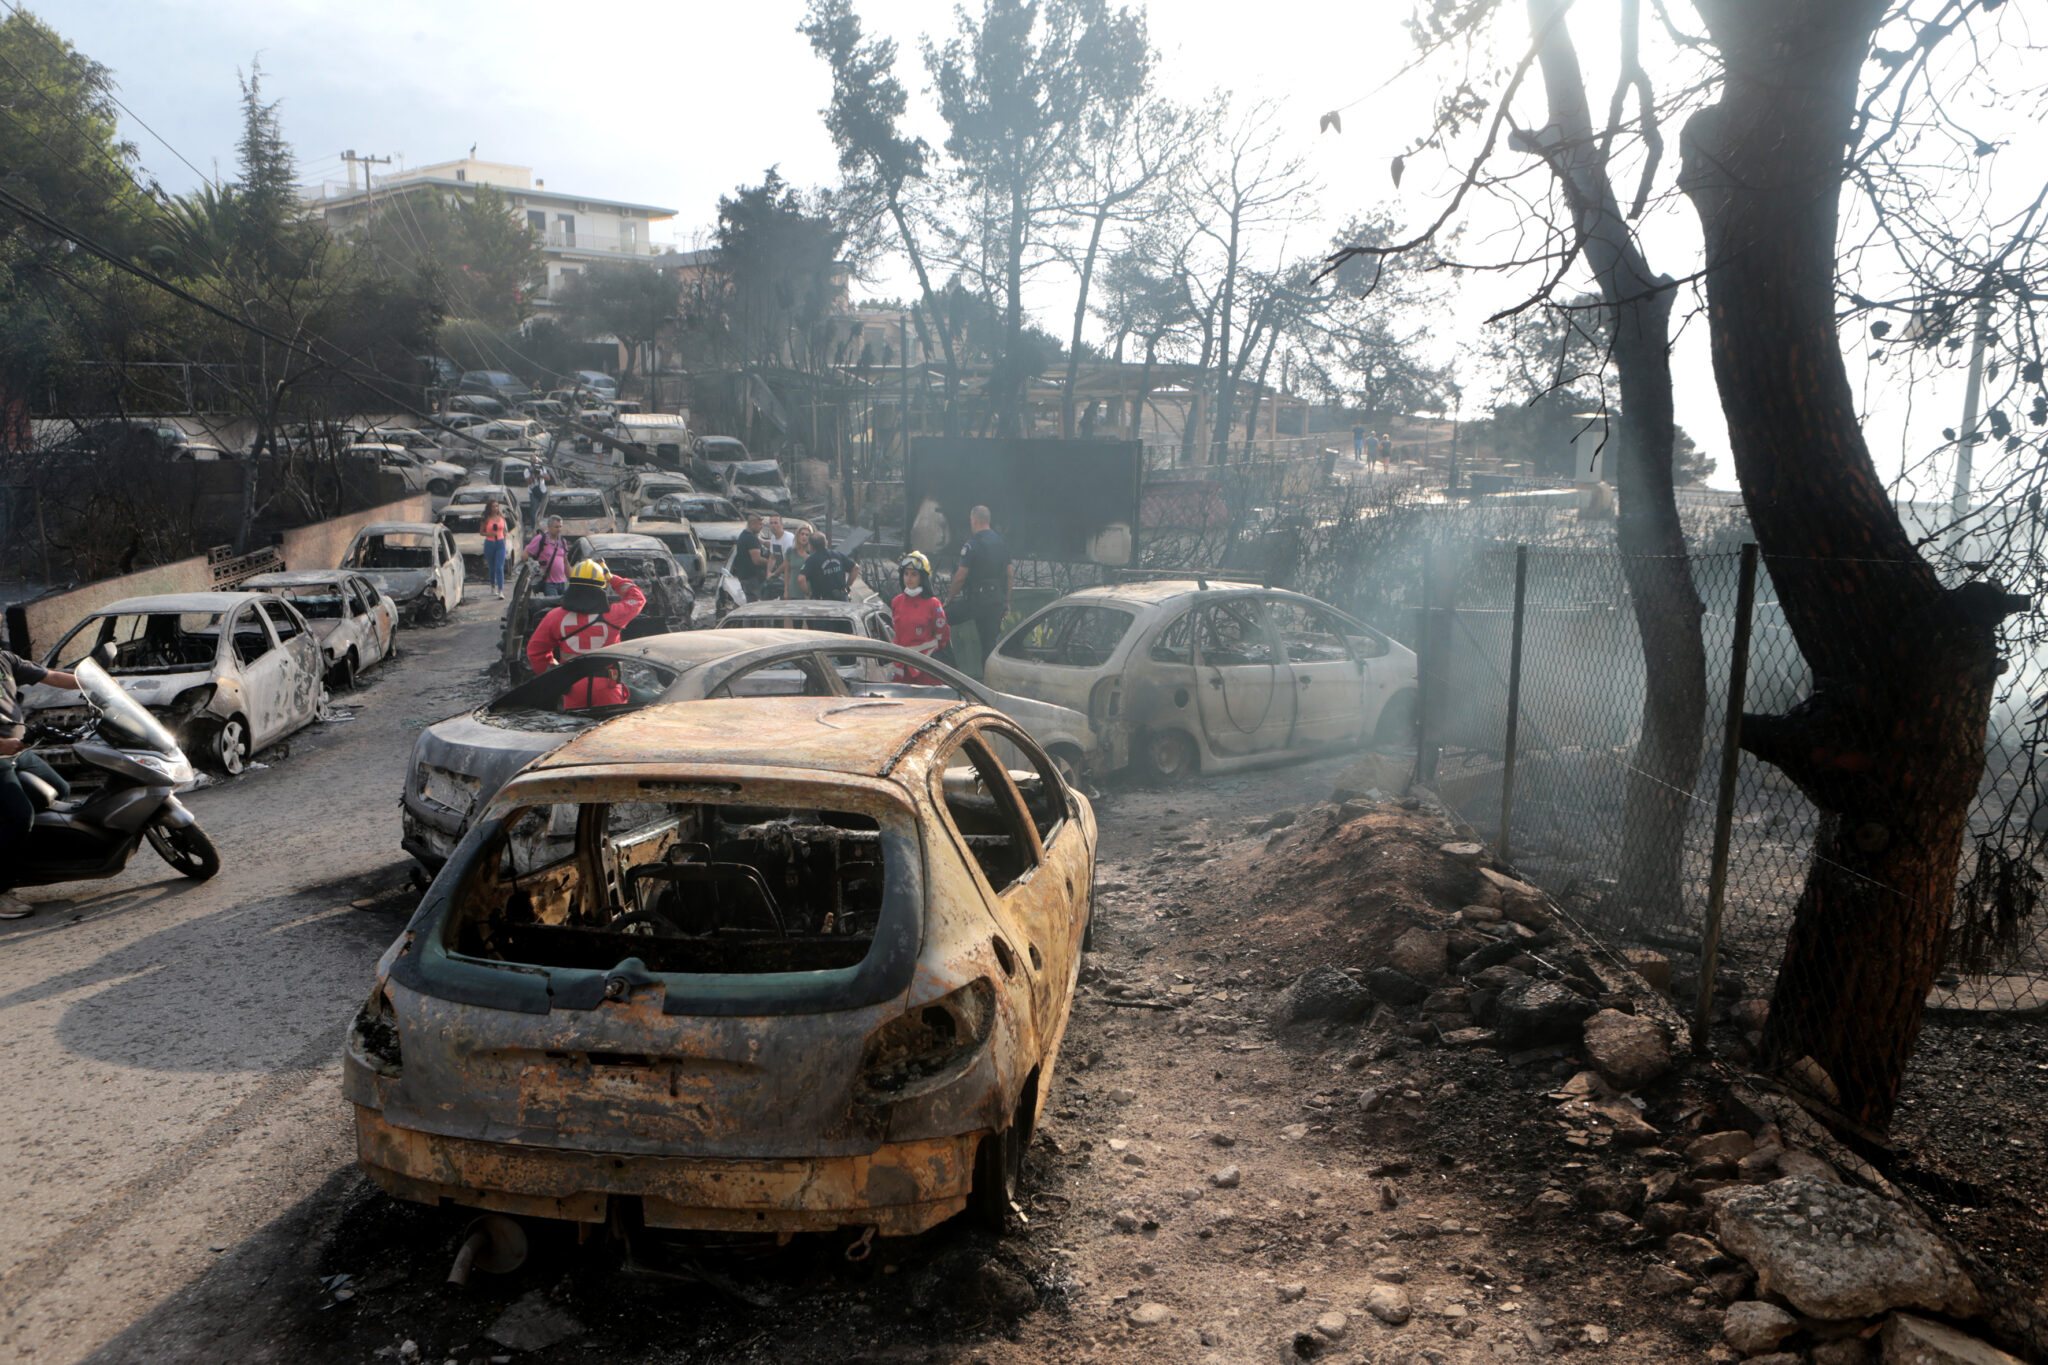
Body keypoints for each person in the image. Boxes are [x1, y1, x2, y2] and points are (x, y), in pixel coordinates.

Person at [0, 649, 81, 920]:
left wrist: (95, 683)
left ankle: (25, 860)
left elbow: (52, 676)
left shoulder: (5, 659)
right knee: (20, 816)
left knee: (59, 792)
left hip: (18, 752)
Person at [524, 559, 646, 708]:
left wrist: (556, 676)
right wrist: (612, 578)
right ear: (601, 587)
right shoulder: (615, 614)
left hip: (572, 687)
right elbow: (637, 597)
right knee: (609, 726)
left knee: (574, 728)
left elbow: (535, 652)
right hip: (607, 687)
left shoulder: (555, 617)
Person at [948, 504, 1012, 674]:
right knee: (989, 646)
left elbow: (960, 577)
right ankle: (990, 686)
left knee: (941, 618)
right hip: (996, 601)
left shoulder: (972, 545)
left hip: (977, 601)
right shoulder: (1001, 542)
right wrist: (1006, 601)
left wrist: (948, 599)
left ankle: (945, 668)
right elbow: (1010, 574)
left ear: (974, 520)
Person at [890, 552, 951, 686]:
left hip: (926, 668)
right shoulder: (896, 602)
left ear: (922, 577)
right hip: (901, 666)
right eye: (906, 574)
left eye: (914, 574)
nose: (909, 578)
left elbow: (943, 636)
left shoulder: (933, 604)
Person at [798, 534, 856, 602]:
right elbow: (855, 568)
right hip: (842, 599)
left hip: (822, 601)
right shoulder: (837, 554)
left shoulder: (812, 560)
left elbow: (801, 579)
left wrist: (808, 593)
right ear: (826, 542)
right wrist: (847, 586)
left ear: (811, 546)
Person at [525, 515, 572, 597]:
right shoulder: (540, 539)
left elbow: (565, 562)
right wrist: (534, 567)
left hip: (562, 583)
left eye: (560, 527)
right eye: (556, 527)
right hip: (549, 583)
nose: (559, 529)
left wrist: (571, 579)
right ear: (549, 527)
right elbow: (525, 555)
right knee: (553, 606)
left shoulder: (562, 541)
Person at [733, 512, 771, 600]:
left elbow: (762, 541)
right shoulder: (751, 538)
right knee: (756, 604)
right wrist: (770, 562)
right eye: (760, 524)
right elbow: (757, 560)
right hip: (752, 578)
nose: (761, 527)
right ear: (752, 524)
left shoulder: (744, 535)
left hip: (744, 576)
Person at [480, 498, 510, 599]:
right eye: (493, 506)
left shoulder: (501, 517)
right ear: (489, 507)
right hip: (490, 543)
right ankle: (493, 585)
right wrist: (489, 533)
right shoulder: (486, 518)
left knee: (499, 567)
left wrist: (505, 543)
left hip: (500, 543)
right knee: (492, 567)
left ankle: (500, 590)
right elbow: (481, 532)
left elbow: (504, 531)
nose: (495, 508)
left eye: (497, 506)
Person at [762, 514, 795, 599]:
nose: (773, 525)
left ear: (782, 525)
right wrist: (768, 572)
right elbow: (772, 557)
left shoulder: (789, 538)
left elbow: (787, 562)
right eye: (771, 523)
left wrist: (774, 573)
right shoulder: (773, 538)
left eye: (776, 523)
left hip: (791, 575)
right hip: (781, 575)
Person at [783, 525, 815, 599]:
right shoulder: (790, 551)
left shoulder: (813, 552)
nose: (804, 537)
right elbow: (787, 571)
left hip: (808, 591)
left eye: (807, 535)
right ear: (798, 536)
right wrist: (786, 589)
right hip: (793, 590)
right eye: (802, 534)